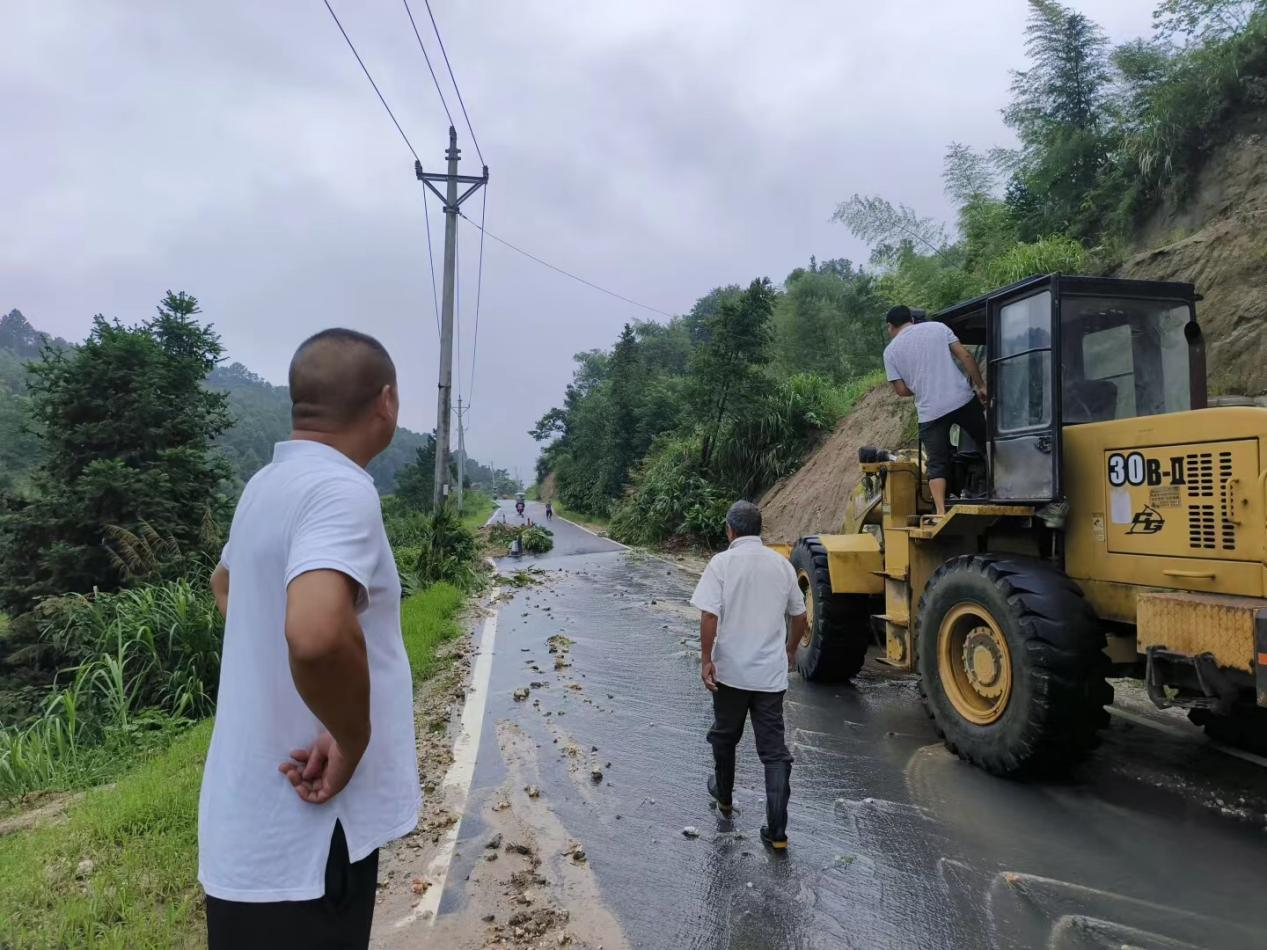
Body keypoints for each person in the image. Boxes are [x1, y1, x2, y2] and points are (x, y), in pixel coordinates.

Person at [201, 328, 418, 949]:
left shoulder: (265, 487)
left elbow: (226, 586)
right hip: (312, 835)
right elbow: (318, 634)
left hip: (247, 837)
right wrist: (352, 738)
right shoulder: (342, 489)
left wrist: (277, 673)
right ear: (386, 402)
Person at [690, 500, 808, 850]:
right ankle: (777, 833)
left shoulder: (721, 563)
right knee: (773, 752)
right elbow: (800, 616)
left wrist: (706, 659)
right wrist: (789, 651)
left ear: (730, 529)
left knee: (725, 737)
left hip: (731, 672)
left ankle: (724, 798)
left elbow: (709, 615)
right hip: (769, 676)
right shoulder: (781, 565)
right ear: (759, 530)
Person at [882, 305, 988, 516]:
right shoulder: (938, 328)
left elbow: (901, 390)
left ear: (890, 327)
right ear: (911, 318)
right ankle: (1003, 488)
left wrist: (920, 384)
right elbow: (965, 356)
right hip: (961, 399)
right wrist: (981, 385)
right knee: (987, 442)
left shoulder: (890, 352)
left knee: (937, 463)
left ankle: (940, 510)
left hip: (930, 412)